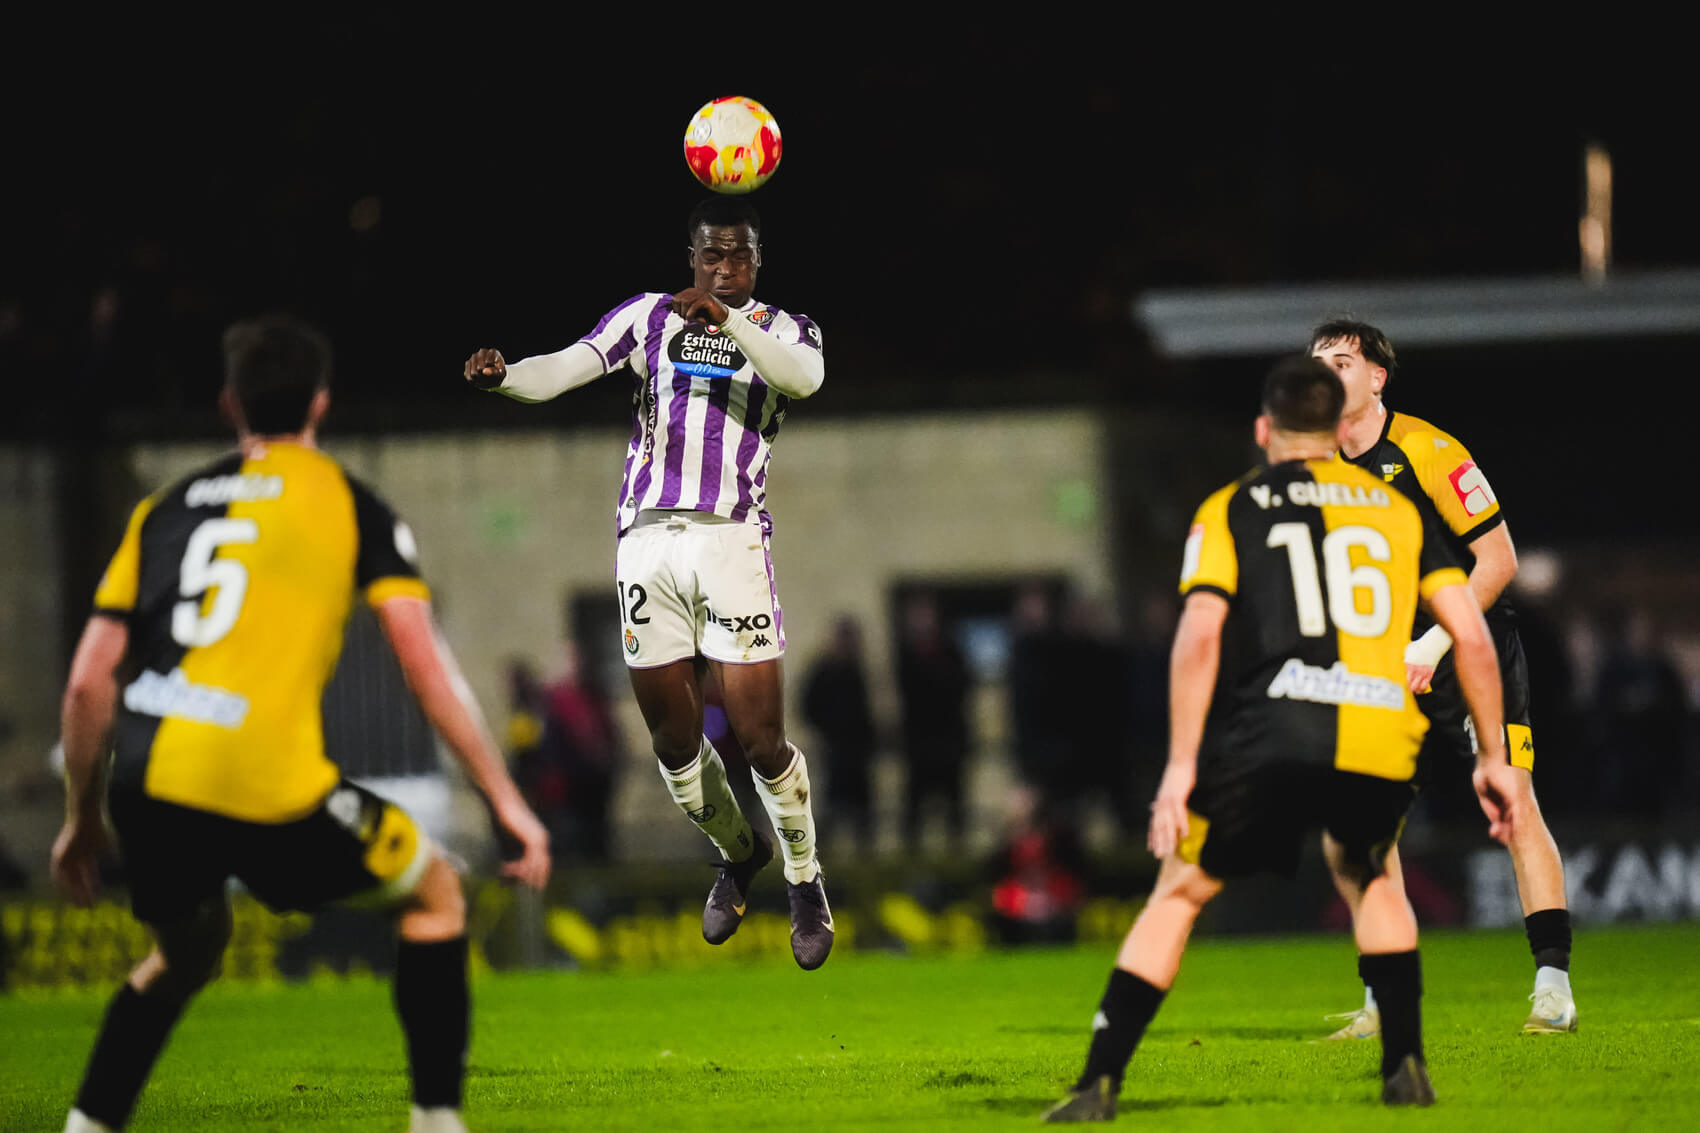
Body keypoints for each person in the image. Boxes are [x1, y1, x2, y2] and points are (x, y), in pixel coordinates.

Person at [50, 316, 551, 1133]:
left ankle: (88, 1124)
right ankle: (437, 1121)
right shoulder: (351, 503)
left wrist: (82, 820)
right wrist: (506, 800)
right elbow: (425, 667)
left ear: (229, 404)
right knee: (434, 893)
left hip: (149, 783)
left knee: (184, 954)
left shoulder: (162, 511)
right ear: (321, 402)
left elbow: (84, 685)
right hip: (265, 783)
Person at [1042, 357, 1520, 1121]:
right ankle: (1405, 1064)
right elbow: (1471, 635)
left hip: (1276, 727)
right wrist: (1492, 756)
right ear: (1335, 430)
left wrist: (1179, 766)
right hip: (1378, 727)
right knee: (1371, 876)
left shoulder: (1233, 506)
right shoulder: (1396, 511)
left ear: (1264, 430)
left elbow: (1199, 636)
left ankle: (1099, 1081)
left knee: (1181, 888)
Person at [461, 196, 832, 969]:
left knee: (760, 738)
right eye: (710, 255)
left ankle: (805, 880)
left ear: (756, 262)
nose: (723, 268)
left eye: (738, 255)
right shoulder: (650, 317)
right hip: (646, 544)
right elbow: (566, 366)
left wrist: (729, 322)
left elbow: (806, 379)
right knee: (673, 743)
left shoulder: (783, 329)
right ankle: (741, 852)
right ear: (691, 257)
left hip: (731, 539)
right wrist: (506, 377)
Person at [1310, 318, 1578, 1038]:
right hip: (1383, 664)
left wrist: (1433, 642)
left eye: (1341, 362)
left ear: (1377, 378)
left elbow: (1498, 559)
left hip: (1468, 651)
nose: (1326, 375)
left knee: (1513, 802)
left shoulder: (1429, 450)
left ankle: (1554, 988)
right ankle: (1384, 998)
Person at [895, 592, 974, 852]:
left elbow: (961, 689)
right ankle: (911, 858)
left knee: (955, 809)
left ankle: (956, 855)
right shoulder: (906, 656)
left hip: (949, 743)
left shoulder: (952, 652)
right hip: (918, 745)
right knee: (913, 811)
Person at [801, 615, 878, 854]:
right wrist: (828, 731)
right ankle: (822, 857)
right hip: (835, 751)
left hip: (856, 752)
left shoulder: (857, 671)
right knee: (832, 809)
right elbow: (807, 707)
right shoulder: (825, 672)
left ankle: (860, 856)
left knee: (861, 813)